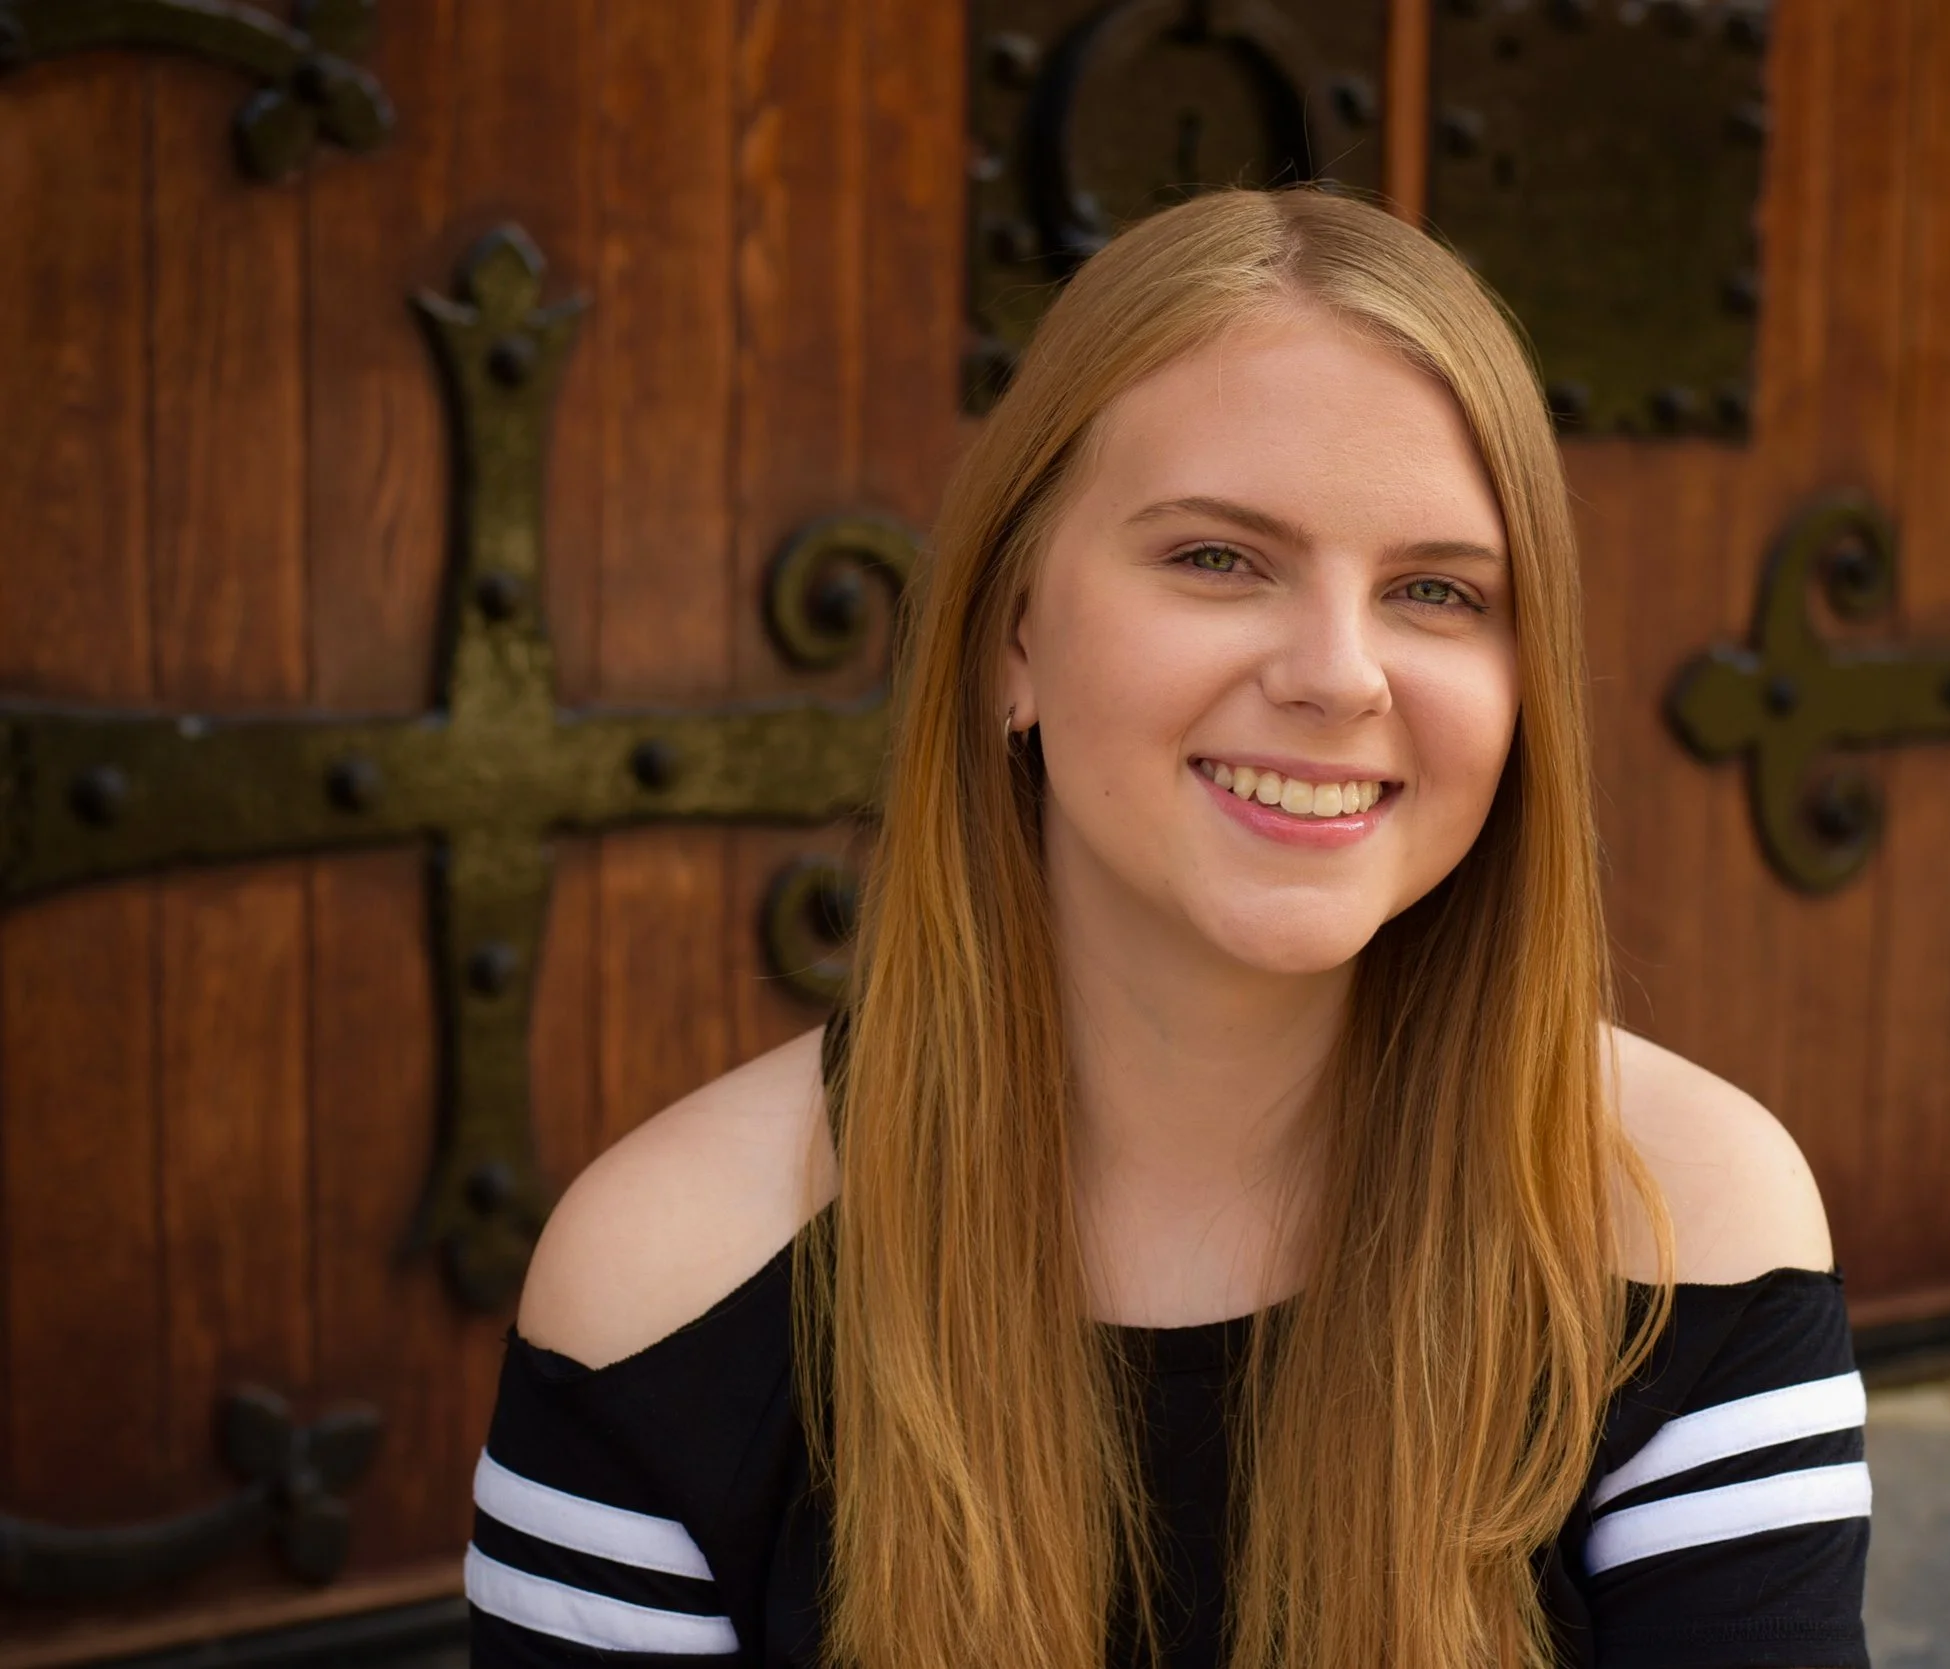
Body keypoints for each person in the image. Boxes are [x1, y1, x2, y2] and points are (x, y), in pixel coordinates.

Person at [463, 186, 1869, 1669]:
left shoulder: (1679, 1223)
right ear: (1013, 636)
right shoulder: (664, 1289)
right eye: (1218, 558)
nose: (1340, 674)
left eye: (1437, 591)